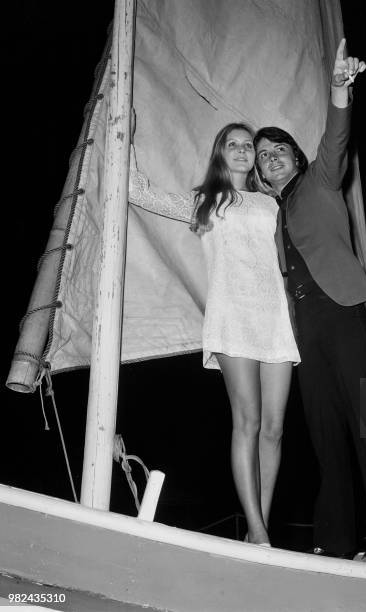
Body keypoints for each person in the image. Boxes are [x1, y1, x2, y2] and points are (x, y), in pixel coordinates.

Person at [253, 39, 366, 564]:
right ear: (260, 178)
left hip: (342, 312)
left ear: (295, 156)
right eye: (262, 156)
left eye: (278, 147)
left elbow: (337, 134)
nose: (271, 156)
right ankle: (333, 545)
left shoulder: (320, 180)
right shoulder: (270, 214)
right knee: (326, 442)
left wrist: (339, 87)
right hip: (303, 332)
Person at [129, 122, 300, 546]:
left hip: (274, 319)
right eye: (233, 144)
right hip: (233, 318)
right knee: (249, 420)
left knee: (275, 428)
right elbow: (138, 191)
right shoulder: (206, 201)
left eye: (248, 145)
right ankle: (258, 531)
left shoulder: (270, 203)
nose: (242, 150)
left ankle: (262, 520)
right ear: (220, 153)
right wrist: (127, 137)